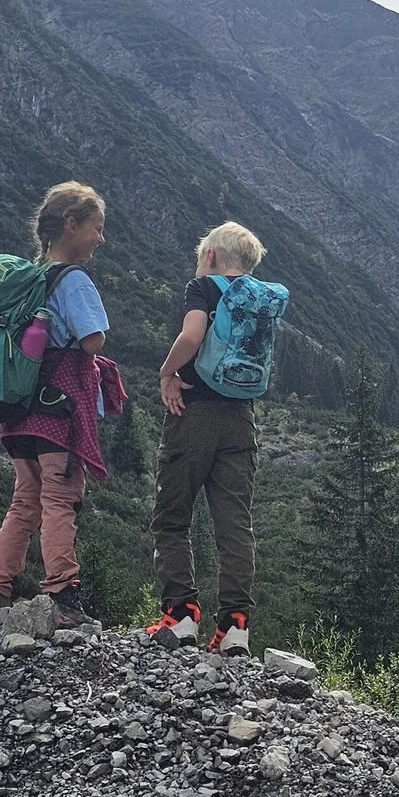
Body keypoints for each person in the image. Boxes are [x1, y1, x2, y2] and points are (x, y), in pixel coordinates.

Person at [0, 182, 125, 630]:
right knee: (61, 500)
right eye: (96, 228)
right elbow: (93, 339)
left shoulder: (29, 279)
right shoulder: (72, 280)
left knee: (25, 502)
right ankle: (63, 594)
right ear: (71, 226)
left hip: (18, 411)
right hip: (57, 411)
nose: (101, 238)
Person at [143, 222, 269, 655]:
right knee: (234, 523)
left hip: (194, 413)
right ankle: (235, 625)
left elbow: (192, 336)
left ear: (211, 257)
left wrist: (167, 373)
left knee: (172, 516)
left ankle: (181, 615)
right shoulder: (259, 298)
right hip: (241, 417)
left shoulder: (203, 288)